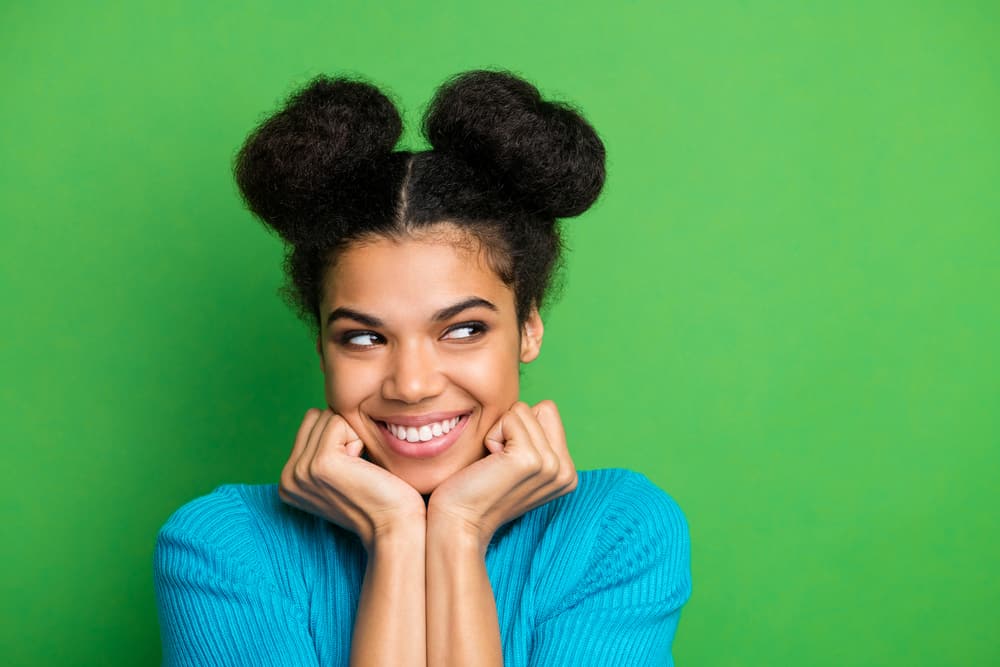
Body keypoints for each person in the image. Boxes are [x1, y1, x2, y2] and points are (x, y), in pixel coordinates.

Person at [153, 69, 692, 666]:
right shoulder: (222, 548)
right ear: (321, 345)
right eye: (363, 337)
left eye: (463, 330)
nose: (412, 384)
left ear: (529, 327)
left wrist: (458, 532)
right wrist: (396, 535)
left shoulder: (615, 533)